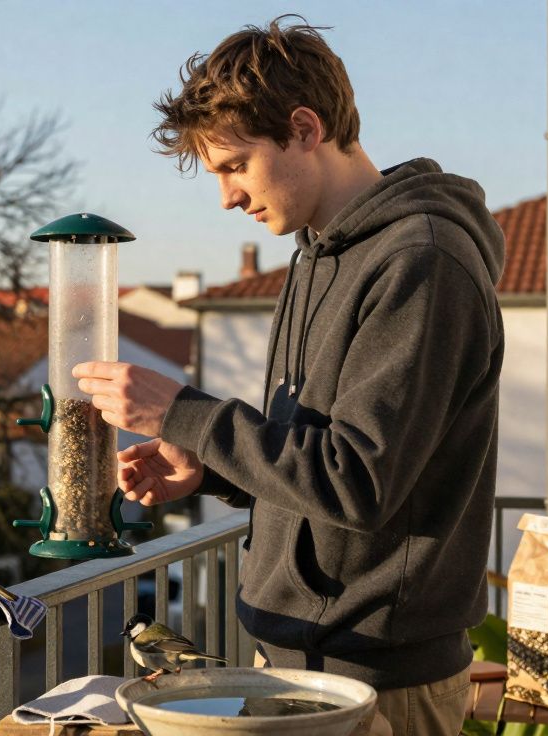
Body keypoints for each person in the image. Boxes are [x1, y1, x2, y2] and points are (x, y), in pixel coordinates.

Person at [73, 16, 504, 735]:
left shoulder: (422, 262)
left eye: (234, 166)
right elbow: (321, 459)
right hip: (297, 663)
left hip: (377, 683)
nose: (227, 198)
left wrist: (186, 415)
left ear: (304, 128)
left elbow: (360, 481)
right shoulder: (316, 255)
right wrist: (210, 469)